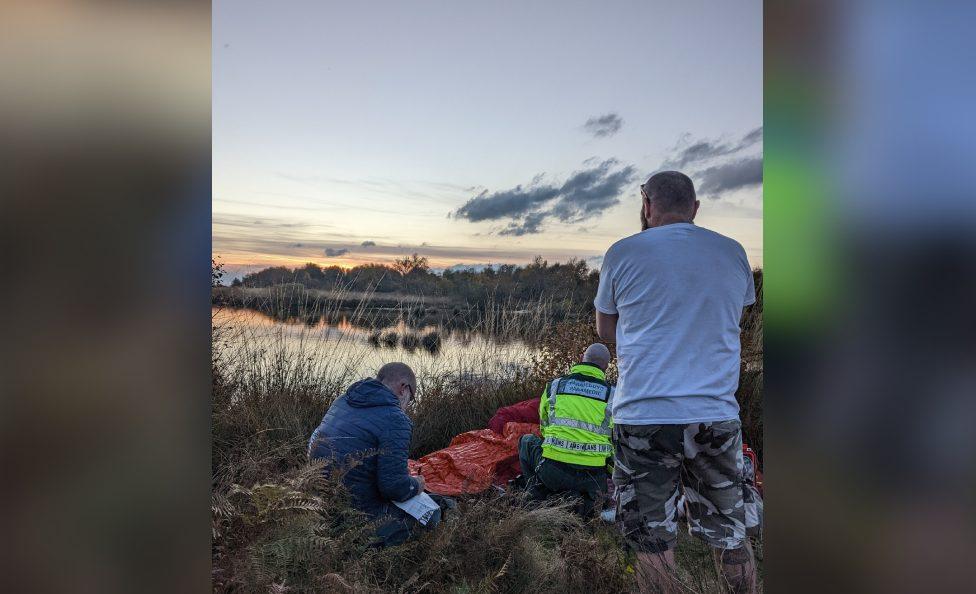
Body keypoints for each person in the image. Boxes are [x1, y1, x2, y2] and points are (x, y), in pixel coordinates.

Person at [595, 171, 757, 593]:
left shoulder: (622, 253)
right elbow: (732, 320)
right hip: (715, 414)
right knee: (730, 532)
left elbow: (605, 332)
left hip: (644, 414)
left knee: (652, 538)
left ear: (646, 205)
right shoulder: (733, 252)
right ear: (696, 209)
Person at [308, 362, 440, 547]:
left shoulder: (341, 401)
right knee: (435, 513)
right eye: (412, 399)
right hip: (359, 517)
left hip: (321, 505)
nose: (408, 406)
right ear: (404, 388)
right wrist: (417, 484)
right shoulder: (396, 419)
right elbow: (393, 488)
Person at [518, 343, 614, 516]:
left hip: (553, 472)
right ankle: (583, 503)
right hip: (593, 479)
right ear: (606, 367)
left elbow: (544, 427)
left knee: (526, 441)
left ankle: (535, 498)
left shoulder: (554, 387)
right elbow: (616, 440)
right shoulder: (613, 395)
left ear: (581, 359)